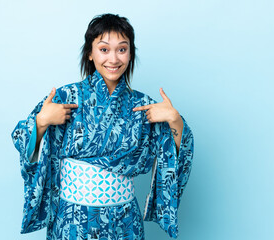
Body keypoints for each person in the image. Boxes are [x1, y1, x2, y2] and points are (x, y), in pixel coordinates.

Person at [11, 13, 194, 240]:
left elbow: (175, 154)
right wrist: (41, 122)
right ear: (90, 53)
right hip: (72, 220)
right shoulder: (66, 97)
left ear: (130, 54)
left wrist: (174, 120)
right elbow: (21, 137)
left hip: (124, 221)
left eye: (122, 49)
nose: (114, 59)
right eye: (104, 49)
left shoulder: (144, 106)